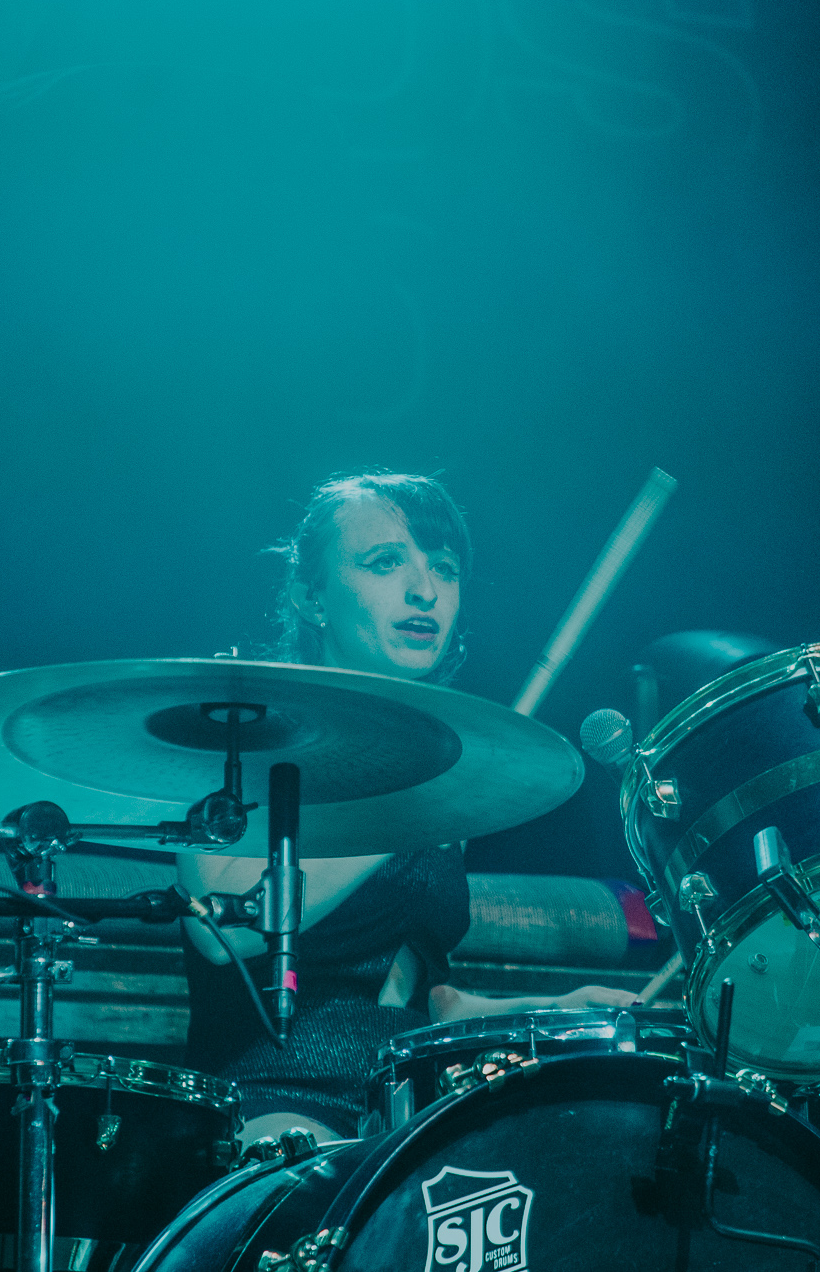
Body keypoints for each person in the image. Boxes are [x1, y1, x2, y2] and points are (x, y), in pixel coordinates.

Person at [175, 470, 638, 1143]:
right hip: (276, 1097)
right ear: (311, 596)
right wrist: (414, 804)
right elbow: (226, 934)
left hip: (409, 1105)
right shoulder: (240, 741)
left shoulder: (431, 775)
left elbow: (421, 1001)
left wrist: (554, 1009)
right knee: (325, 1193)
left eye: (444, 568)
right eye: (385, 562)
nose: (426, 590)